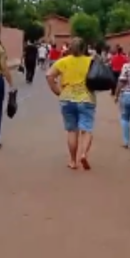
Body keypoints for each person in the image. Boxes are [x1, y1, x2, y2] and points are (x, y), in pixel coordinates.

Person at [46, 38, 95, 170]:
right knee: (86, 130)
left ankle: (73, 161)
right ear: (84, 48)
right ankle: (83, 154)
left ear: (70, 48)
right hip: (86, 98)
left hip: (67, 99)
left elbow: (49, 75)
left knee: (72, 131)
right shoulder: (91, 61)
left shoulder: (63, 62)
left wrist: (57, 91)